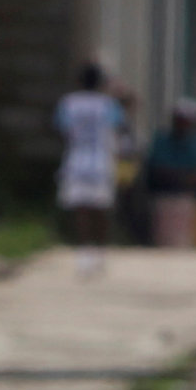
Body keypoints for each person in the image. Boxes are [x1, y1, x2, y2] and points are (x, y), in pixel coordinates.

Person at [55, 62, 129, 277]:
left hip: (76, 160)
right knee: (101, 209)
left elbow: (62, 131)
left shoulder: (68, 103)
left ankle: (84, 252)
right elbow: (120, 128)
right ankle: (99, 252)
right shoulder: (108, 104)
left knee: (81, 209)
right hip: (101, 161)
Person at [142, 99, 196, 250]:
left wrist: (181, 178)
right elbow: (157, 171)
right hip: (162, 196)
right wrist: (183, 177)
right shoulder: (161, 140)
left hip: (186, 197)